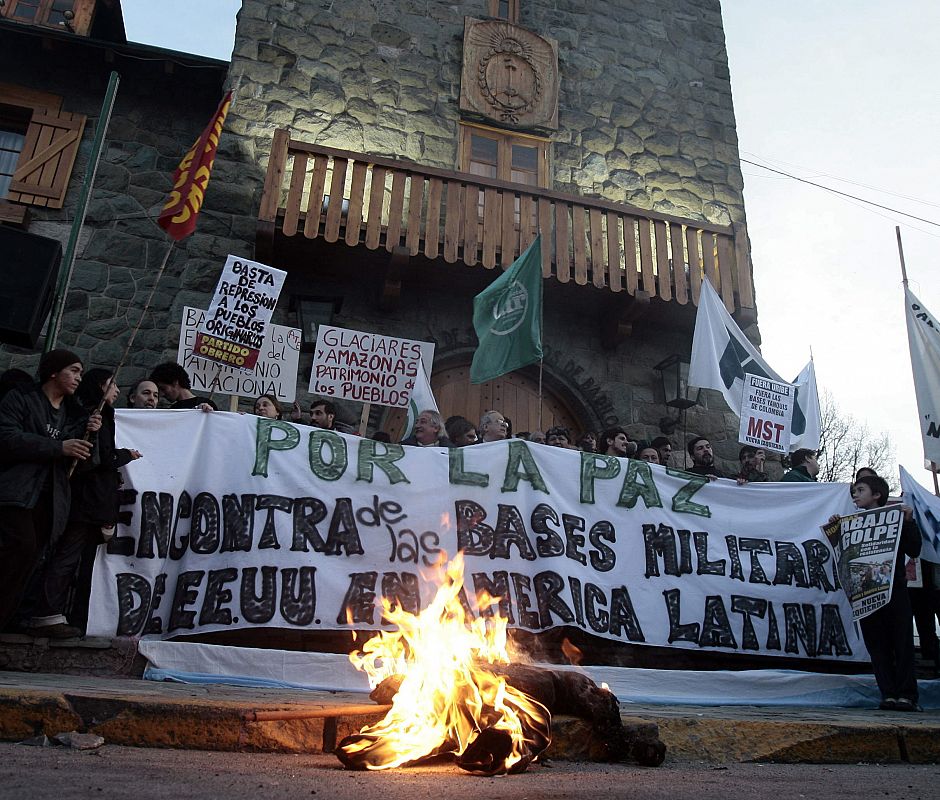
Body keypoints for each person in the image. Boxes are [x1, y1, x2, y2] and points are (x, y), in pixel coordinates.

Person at [24, 370, 142, 638]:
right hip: (86, 500)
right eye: (112, 384)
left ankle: (59, 612)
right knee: (68, 555)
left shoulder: (83, 412)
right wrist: (126, 455)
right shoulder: (95, 415)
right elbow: (99, 458)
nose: (117, 391)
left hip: (83, 498)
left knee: (73, 557)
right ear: (100, 386)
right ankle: (46, 613)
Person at [0, 350, 100, 630]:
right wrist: (58, 447)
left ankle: (8, 620)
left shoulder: (74, 414)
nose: (79, 378)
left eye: (81, 373)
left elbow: (86, 463)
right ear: (54, 372)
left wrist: (90, 434)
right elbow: (6, 438)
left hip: (50, 498)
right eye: (74, 370)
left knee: (31, 559)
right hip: (16, 493)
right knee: (21, 547)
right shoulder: (21, 398)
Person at [828, 475, 922, 711]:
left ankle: (907, 696)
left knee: (902, 644)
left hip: (894, 591)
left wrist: (909, 523)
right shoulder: (851, 522)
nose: (855, 495)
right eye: (854, 491)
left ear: (877, 494)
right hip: (865, 593)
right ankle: (888, 694)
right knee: (877, 646)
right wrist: (835, 530)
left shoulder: (898, 519)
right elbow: (843, 556)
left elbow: (914, 550)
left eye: (861, 490)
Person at [149, 362, 216, 410]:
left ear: (175, 382)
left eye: (163, 388)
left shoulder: (206, 404)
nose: (161, 394)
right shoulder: (173, 409)